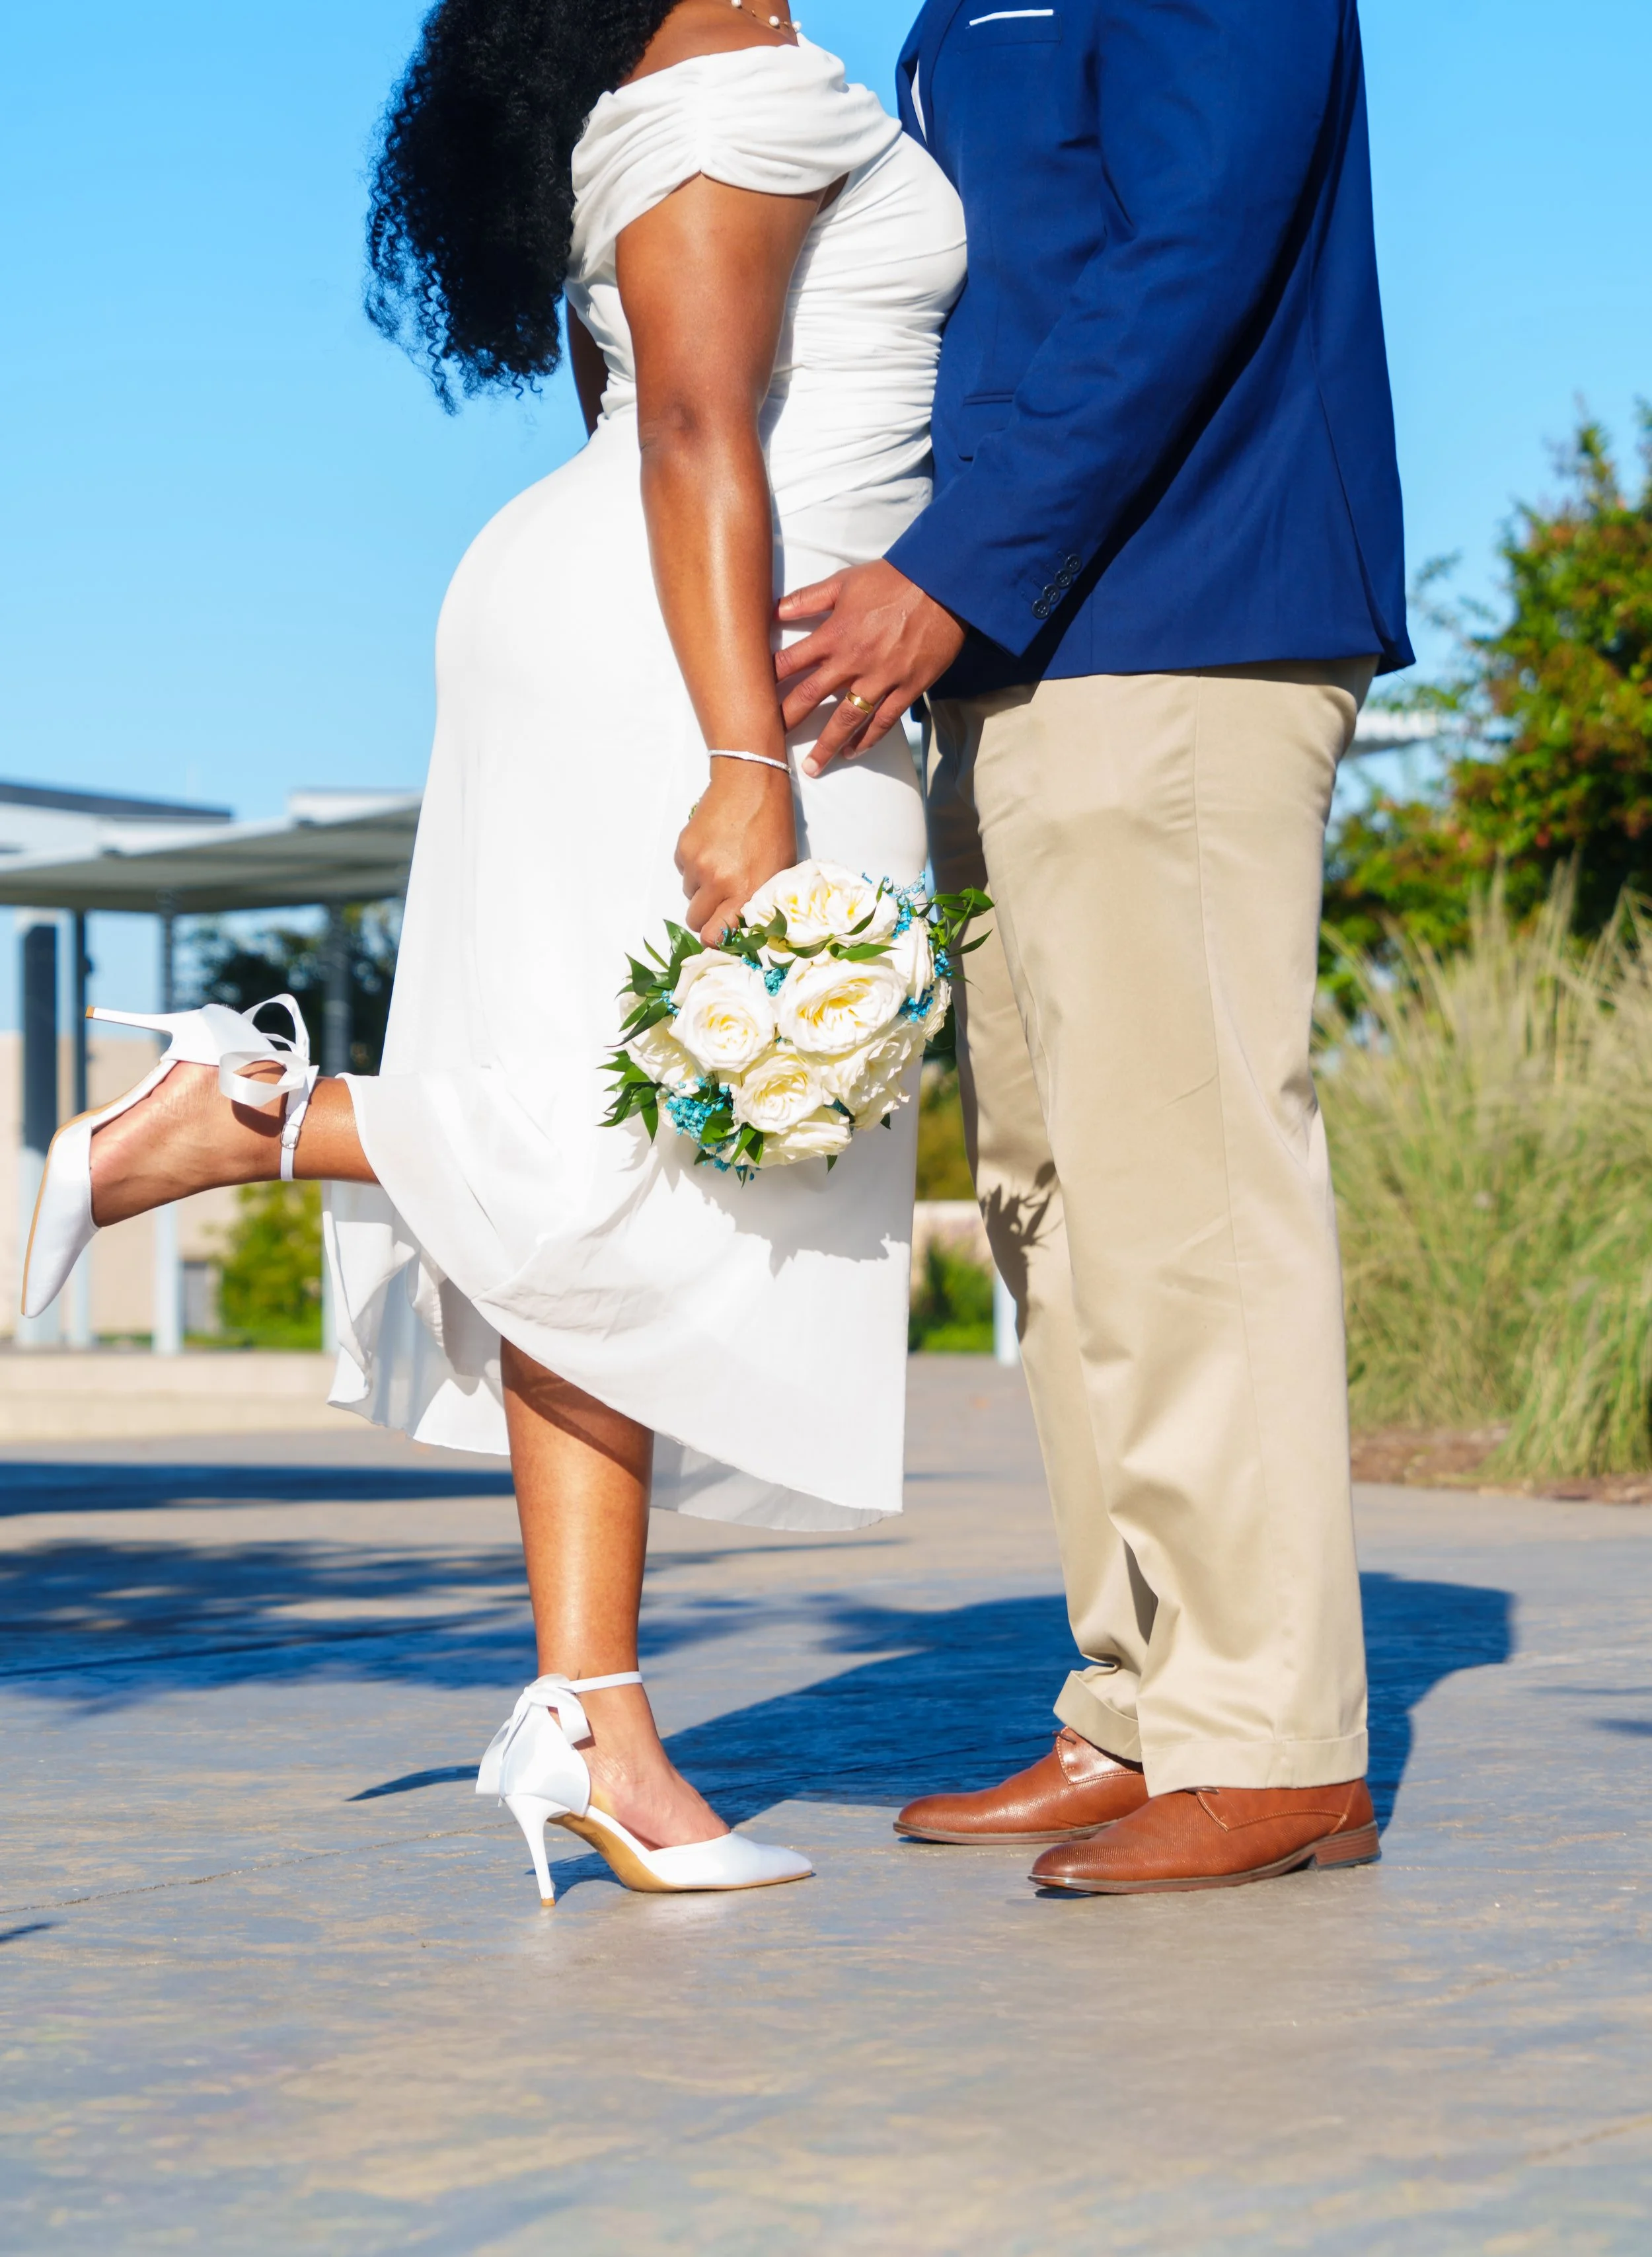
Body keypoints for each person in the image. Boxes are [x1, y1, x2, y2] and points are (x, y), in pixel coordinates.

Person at [22, 0, 965, 1906]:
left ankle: (587, 1718)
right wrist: (735, 760)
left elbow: (632, 406)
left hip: (656, 620)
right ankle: (247, 1120)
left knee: (619, 1188)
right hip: (718, 663)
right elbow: (695, 427)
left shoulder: (689, 87)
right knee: (656, 1131)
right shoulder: (723, 94)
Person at [774, 0, 1410, 1894]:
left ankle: (1268, 1737)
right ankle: (1140, 1700)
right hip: (1023, 650)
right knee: (1059, 1203)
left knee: (1190, 1180)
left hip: (1183, 617)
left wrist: (951, 568)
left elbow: (1193, 243)